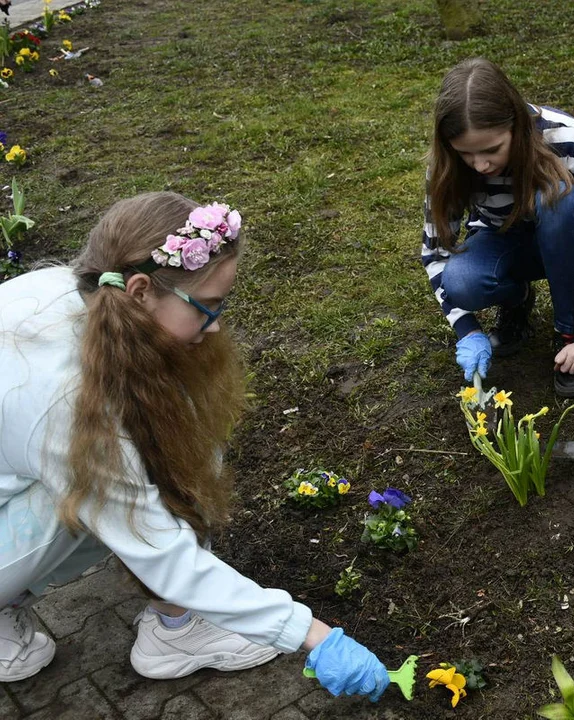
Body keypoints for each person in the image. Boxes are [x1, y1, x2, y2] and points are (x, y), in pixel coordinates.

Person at [0, 192, 388, 699]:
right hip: (31, 480)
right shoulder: (60, 406)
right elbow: (158, 547)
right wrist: (314, 636)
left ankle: (173, 620)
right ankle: (179, 631)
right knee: (91, 487)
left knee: (154, 441)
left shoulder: (78, 291)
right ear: (140, 291)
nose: (218, 324)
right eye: (206, 306)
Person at [421, 57, 574, 398]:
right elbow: (434, 252)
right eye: (466, 154)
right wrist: (466, 328)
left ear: (517, 125)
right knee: (461, 281)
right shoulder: (446, 165)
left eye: (492, 149)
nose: (481, 164)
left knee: (559, 201)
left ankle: (569, 332)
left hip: (571, 237)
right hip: (502, 240)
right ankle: (516, 298)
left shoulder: (566, 139)